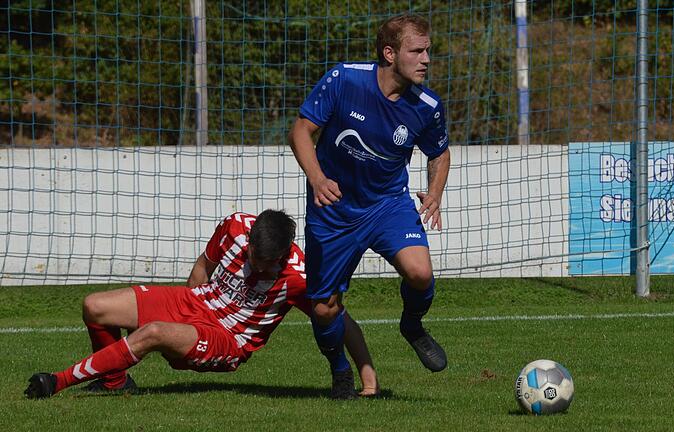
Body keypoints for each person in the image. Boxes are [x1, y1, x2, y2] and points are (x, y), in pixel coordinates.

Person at [24, 210, 379, 399]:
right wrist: (186, 312)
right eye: (255, 258)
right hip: (195, 303)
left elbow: (337, 320)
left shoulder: (299, 275)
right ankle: (115, 383)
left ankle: (58, 381)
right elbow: (201, 268)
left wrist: (367, 376)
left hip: (228, 339)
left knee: (154, 333)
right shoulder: (237, 228)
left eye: (268, 264)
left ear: (284, 254)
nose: (258, 267)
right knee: (95, 305)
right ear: (251, 239)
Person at [288, 13, 451, 399]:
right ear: (390, 53)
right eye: (417, 51)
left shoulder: (427, 105)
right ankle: (339, 368)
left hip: (387, 205)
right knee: (325, 307)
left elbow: (440, 154)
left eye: (429, 50)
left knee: (420, 273)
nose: (426, 59)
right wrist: (317, 178)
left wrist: (435, 192)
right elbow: (300, 130)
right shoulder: (345, 79)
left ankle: (412, 326)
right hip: (335, 210)